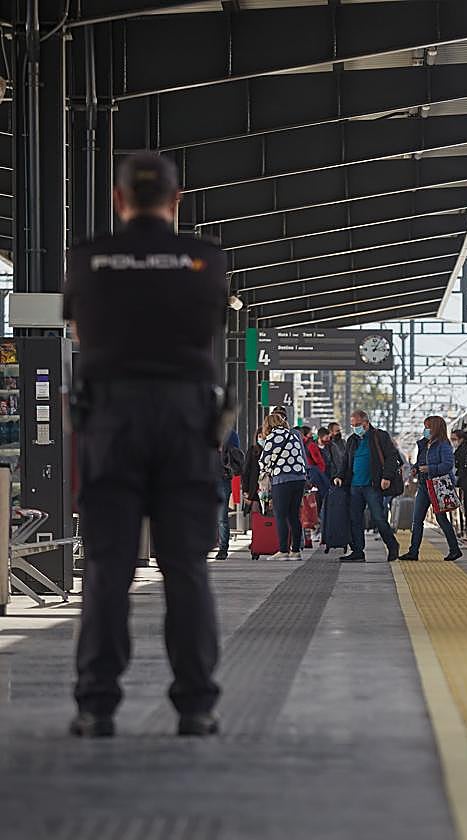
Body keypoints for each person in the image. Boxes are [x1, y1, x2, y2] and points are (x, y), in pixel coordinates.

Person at [63, 151, 228, 738]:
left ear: (119, 199)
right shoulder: (205, 260)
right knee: (186, 567)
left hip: (111, 420)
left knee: (108, 568)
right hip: (185, 421)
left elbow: (79, 330)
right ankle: (196, 707)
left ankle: (96, 706)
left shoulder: (88, 259)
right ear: (176, 201)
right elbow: (209, 331)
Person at [333, 410, 401, 562]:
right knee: (355, 519)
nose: (355, 428)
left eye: (358, 424)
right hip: (355, 486)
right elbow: (346, 461)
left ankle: (392, 545)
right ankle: (358, 551)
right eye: (352, 425)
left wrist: (387, 476)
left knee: (378, 518)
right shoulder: (352, 440)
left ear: (366, 423)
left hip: (372, 486)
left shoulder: (379, 436)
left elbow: (392, 457)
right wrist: (339, 476)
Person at [398, 416, 462, 562]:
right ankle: (413, 552)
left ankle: (455, 550)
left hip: (437, 485)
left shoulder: (444, 445)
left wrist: (430, 468)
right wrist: (415, 468)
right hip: (423, 485)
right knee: (417, 519)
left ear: (435, 428)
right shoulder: (424, 444)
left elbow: (447, 465)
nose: (425, 430)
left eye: (427, 427)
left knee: (441, 519)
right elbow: (420, 462)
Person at [258, 413, 308, 560]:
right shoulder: (293, 435)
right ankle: (296, 551)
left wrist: (265, 471)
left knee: (280, 515)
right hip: (299, 479)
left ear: (268, 425)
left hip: (282, 479)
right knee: (294, 515)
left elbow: (263, 460)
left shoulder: (272, 437)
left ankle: (283, 550)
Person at [216, 428, 244, 560]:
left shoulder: (230, 434)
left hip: (222, 477)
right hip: (204, 478)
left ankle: (223, 548)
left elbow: (235, 454)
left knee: (222, 517)